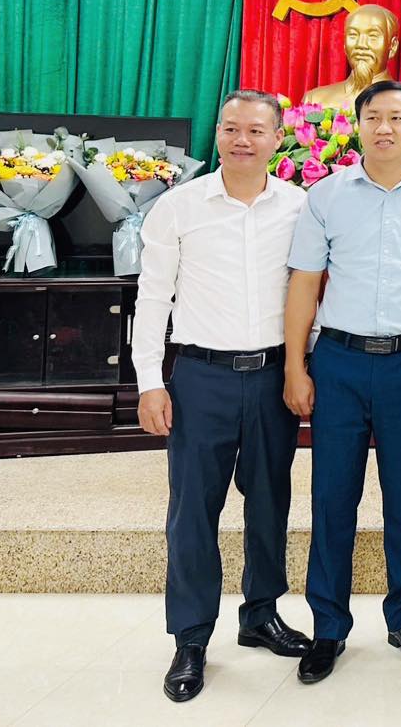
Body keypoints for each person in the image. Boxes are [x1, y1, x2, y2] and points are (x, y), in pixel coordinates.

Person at [282, 79, 401, 683]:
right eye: (372, 117)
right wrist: (295, 365)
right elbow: (304, 283)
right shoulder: (326, 196)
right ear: (357, 125)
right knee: (333, 497)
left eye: (396, 117)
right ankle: (328, 626)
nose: (384, 127)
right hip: (338, 362)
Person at [132, 90, 311, 703]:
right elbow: (152, 297)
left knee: (269, 502)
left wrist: (303, 364)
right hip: (200, 377)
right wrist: (150, 381)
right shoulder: (178, 206)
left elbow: (310, 291)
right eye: (232, 128)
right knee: (192, 510)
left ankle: (261, 614)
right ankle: (190, 637)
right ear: (218, 133)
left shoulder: (299, 206)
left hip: (272, 376)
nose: (242, 140)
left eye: (256, 130)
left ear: (278, 139)